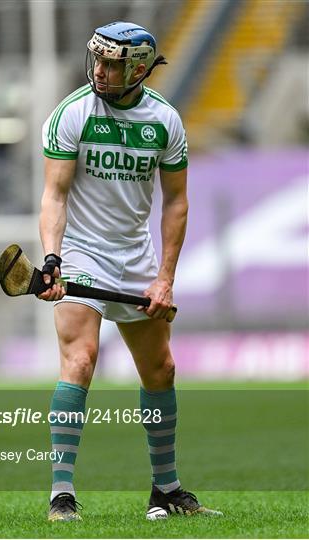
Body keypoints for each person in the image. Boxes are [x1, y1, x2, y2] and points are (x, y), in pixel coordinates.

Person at [38, 21, 223, 522]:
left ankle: (165, 489)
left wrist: (164, 278)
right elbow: (54, 195)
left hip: (136, 256)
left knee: (160, 370)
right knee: (81, 359)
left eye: (112, 64)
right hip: (82, 249)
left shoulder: (165, 120)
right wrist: (53, 259)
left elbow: (177, 202)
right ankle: (61, 495)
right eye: (96, 60)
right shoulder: (71, 113)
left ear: (138, 68)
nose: (99, 70)